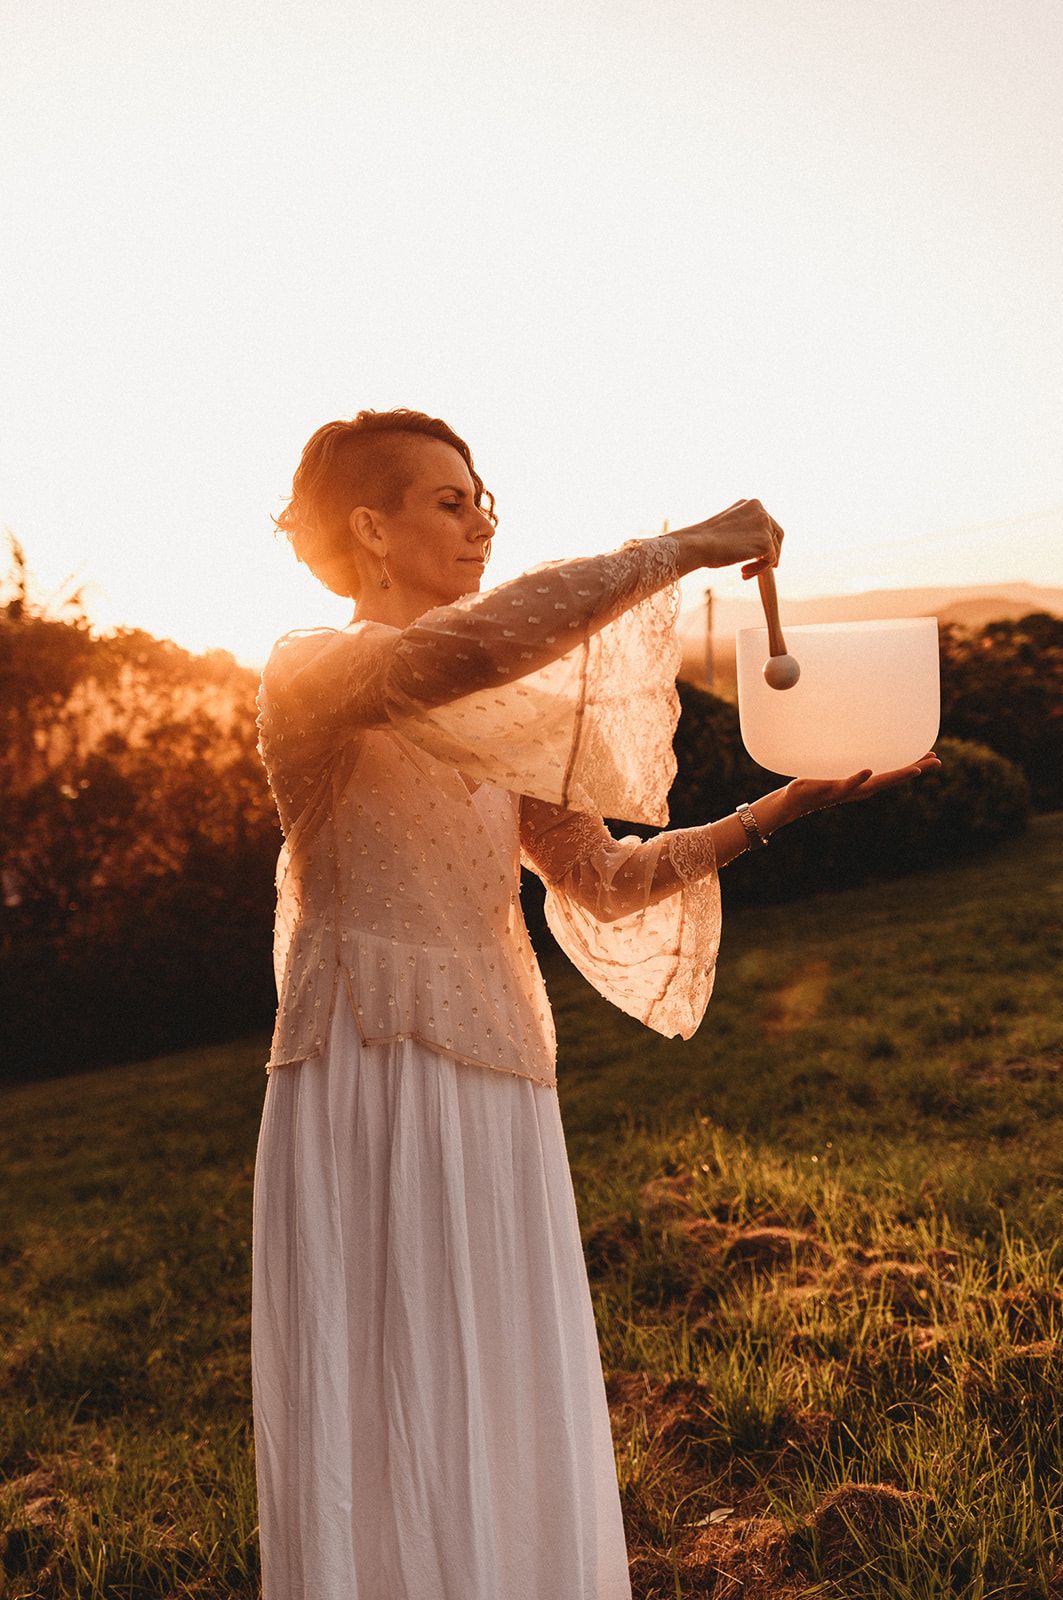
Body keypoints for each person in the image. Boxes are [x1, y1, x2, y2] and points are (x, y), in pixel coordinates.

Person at [250, 408, 939, 1600]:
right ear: (368, 526)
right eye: (449, 502)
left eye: (484, 499)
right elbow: (460, 654)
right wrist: (672, 549)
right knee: (384, 1371)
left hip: (501, 1072)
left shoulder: (508, 724)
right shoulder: (317, 667)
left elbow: (603, 882)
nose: (482, 523)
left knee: (500, 1377)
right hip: (367, 1064)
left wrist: (774, 812)